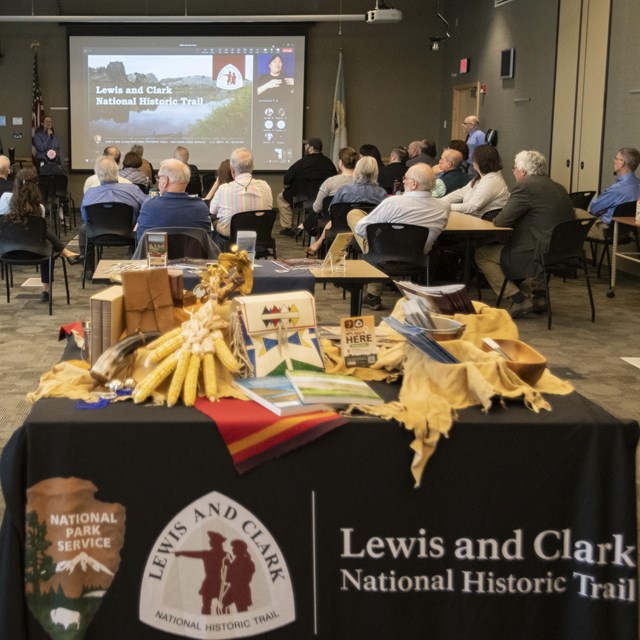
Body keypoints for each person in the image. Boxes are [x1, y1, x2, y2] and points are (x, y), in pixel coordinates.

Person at [474, 150, 576, 318]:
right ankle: (540, 296)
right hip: (563, 251)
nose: (513, 171)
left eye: (514, 168)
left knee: (482, 255)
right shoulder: (559, 187)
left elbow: (501, 221)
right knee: (539, 241)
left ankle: (518, 298)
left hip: (538, 251)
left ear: (522, 171)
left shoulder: (524, 187)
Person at [347, 163, 450, 310]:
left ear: (414, 184)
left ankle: (373, 293)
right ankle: (373, 293)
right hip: (419, 257)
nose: (403, 181)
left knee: (355, 216)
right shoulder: (444, 206)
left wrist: (378, 233)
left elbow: (361, 229)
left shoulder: (392, 202)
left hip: (382, 255)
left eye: (405, 178)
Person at [2, 169, 80, 302]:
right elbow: (40, 235)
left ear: (15, 183)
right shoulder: (40, 208)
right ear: (35, 185)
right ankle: (46, 290)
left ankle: (66, 252)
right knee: (47, 245)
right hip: (35, 253)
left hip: (7, 251)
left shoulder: (4, 200)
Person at [305, 156, 387, 256]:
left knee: (333, 220)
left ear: (357, 170)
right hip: (369, 231)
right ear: (376, 172)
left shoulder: (345, 190)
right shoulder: (381, 193)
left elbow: (332, 211)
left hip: (342, 227)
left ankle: (319, 244)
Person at [80, 157, 148, 275]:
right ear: (117, 171)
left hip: (97, 233)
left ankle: (88, 269)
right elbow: (147, 207)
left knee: (83, 229)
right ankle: (137, 269)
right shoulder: (133, 190)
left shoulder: (90, 193)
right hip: (128, 233)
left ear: (97, 174)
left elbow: (86, 218)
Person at [135, 158, 211, 242]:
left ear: (166, 181)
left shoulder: (149, 206)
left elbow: (140, 241)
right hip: (194, 255)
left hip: (155, 255)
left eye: (159, 177)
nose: (158, 181)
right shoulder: (201, 208)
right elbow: (207, 242)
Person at [209, 147, 273, 245]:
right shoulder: (265, 186)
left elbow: (212, 211)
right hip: (259, 241)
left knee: (213, 223)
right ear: (252, 167)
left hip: (230, 243)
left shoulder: (224, 189)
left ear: (231, 169)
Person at [276, 137, 337, 234]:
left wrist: (286, 189)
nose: (305, 146)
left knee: (281, 197)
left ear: (311, 148)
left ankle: (288, 227)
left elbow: (288, 178)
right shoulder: (329, 163)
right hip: (325, 200)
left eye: (306, 145)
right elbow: (334, 179)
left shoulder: (301, 163)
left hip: (302, 198)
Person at [581, 147, 640, 240]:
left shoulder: (617, 189)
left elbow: (594, 209)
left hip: (607, 231)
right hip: (629, 232)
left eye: (616, 158)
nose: (614, 161)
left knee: (573, 213)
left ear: (622, 163)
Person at [441, 144, 509, 217]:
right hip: (473, 221)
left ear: (480, 161)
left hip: (483, 225)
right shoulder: (481, 178)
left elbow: (471, 207)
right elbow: (461, 192)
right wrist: (440, 202)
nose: (472, 161)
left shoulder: (492, 182)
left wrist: (445, 206)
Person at [174, 531, 228, 615]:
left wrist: (181, 553)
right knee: (209, 606)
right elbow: (194, 554)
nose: (209, 542)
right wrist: (182, 553)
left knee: (217, 606)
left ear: (215, 542)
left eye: (211, 540)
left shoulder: (211, 554)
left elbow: (232, 570)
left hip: (215, 583)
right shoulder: (224, 554)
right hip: (215, 583)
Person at [220, 540, 256, 614]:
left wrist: (229, 566)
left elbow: (244, 578)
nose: (232, 549)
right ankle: (228, 621)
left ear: (239, 549)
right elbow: (227, 579)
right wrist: (225, 566)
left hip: (241, 591)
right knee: (223, 605)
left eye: (234, 548)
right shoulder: (235, 562)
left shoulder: (248, 562)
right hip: (233, 589)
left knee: (242, 612)